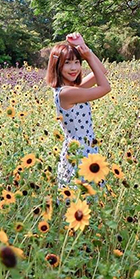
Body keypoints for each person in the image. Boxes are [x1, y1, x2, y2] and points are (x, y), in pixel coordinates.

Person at [44, 32, 111, 188]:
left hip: (86, 148)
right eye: (67, 63)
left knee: (90, 201)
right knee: (80, 200)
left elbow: (102, 71)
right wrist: (87, 57)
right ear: (57, 66)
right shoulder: (68, 93)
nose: (74, 68)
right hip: (79, 152)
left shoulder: (73, 89)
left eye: (77, 62)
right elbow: (105, 87)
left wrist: (83, 47)